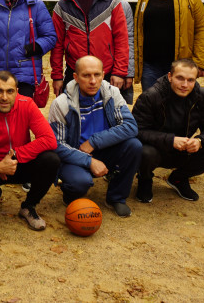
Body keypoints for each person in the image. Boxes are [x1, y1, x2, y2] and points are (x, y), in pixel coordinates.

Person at [0, 71, 60, 231]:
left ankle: (29, 206)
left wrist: (15, 156)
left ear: (17, 92)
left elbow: (49, 139)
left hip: (18, 164)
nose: (5, 97)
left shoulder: (27, 105)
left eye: (10, 91)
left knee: (51, 160)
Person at [48, 56, 142, 217]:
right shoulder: (62, 104)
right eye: (86, 75)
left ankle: (117, 198)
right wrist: (89, 161)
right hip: (75, 155)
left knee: (134, 146)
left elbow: (130, 126)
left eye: (97, 75)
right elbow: (57, 144)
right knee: (80, 183)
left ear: (103, 75)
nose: (93, 81)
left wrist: (94, 142)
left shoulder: (112, 93)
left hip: (104, 148)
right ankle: (70, 194)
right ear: (76, 77)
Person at [132, 59, 204, 203]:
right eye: (180, 78)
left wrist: (200, 141)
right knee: (144, 151)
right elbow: (137, 130)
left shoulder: (203, 96)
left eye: (190, 80)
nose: (185, 85)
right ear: (170, 76)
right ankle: (145, 179)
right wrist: (171, 140)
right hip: (155, 149)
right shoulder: (151, 96)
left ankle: (179, 179)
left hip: (184, 149)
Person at [51, 0, 128, 97]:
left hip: (106, 73)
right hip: (75, 74)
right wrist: (57, 76)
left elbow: (121, 38)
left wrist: (119, 72)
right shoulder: (62, 6)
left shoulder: (111, 2)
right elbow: (57, 45)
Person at [135, 0, 204, 91]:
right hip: (150, 65)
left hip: (180, 64)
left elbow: (201, 29)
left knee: (179, 101)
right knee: (152, 101)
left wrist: (199, 62)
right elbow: (138, 31)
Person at [95, 0, 135, 104]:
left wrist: (127, 72)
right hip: (94, 67)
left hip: (116, 68)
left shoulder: (124, 6)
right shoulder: (89, 2)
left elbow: (128, 38)